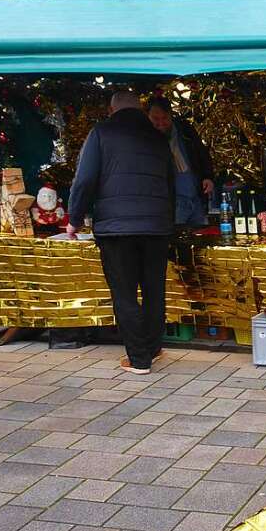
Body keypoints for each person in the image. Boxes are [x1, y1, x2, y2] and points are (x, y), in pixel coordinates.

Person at [67, 91, 176, 375]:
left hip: (116, 229)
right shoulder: (158, 137)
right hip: (156, 227)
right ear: (140, 109)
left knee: (125, 292)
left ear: (111, 109)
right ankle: (153, 348)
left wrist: (74, 219)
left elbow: (85, 179)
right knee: (155, 290)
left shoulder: (101, 133)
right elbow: (171, 183)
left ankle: (139, 359)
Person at [146, 96, 214, 226]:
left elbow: (202, 153)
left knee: (201, 238)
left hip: (196, 198)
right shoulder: (145, 138)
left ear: (171, 116)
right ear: (147, 116)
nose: (161, 123)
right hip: (171, 203)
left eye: (165, 118)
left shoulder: (184, 130)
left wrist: (207, 177)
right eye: (155, 119)